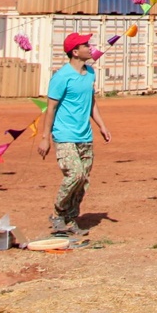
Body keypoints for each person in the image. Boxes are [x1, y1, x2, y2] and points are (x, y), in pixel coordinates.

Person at [36, 32, 112, 238]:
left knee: (83, 181)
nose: (90, 47)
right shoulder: (61, 77)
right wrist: (45, 137)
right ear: (75, 52)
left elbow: (91, 103)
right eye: (85, 45)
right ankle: (57, 213)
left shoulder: (90, 73)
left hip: (85, 136)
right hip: (65, 135)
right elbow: (50, 108)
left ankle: (70, 219)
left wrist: (101, 126)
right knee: (75, 174)